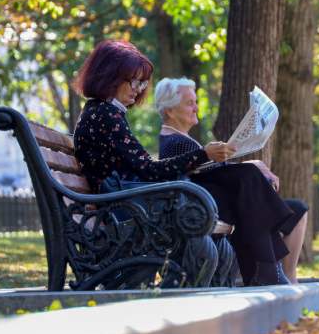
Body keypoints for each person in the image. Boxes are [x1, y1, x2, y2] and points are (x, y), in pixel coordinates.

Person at [72, 40, 299, 286]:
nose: (138, 89)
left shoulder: (104, 112)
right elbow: (148, 169)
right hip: (126, 206)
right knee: (244, 181)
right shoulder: (105, 114)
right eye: (133, 81)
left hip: (130, 199)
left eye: (142, 82)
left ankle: (265, 270)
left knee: (244, 180)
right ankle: (266, 269)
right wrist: (203, 154)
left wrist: (204, 156)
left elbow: (143, 167)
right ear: (110, 76)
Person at [154, 77, 308, 284]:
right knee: (250, 180)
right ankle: (269, 271)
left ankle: (279, 273)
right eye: (189, 103)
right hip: (202, 208)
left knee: (289, 205)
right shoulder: (174, 142)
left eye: (196, 102)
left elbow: (210, 170)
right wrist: (251, 166)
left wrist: (250, 164)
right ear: (170, 111)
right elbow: (212, 173)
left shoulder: (180, 139)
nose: (196, 108)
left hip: (213, 203)